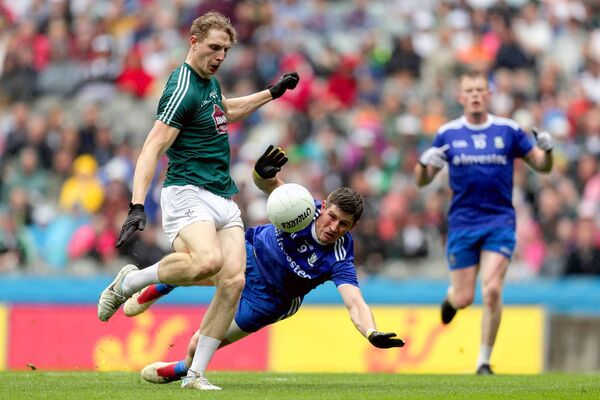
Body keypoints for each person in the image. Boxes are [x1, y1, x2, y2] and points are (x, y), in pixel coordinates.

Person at [96, 11, 299, 391]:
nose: (220, 55)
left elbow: (226, 111)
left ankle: (195, 374)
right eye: (214, 47)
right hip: (186, 191)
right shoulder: (182, 88)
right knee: (207, 261)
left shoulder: (209, 83)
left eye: (225, 49)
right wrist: (137, 205)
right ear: (193, 42)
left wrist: (272, 93)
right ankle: (129, 283)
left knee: (233, 281)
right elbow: (152, 146)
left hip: (222, 195)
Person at [123, 145, 405, 386]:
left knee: (198, 345)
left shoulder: (340, 255)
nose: (333, 227)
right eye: (332, 216)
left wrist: (370, 332)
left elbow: (354, 302)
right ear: (324, 205)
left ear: (353, 226)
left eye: (343, 224)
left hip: (270, 299)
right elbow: (268, 184)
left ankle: (182, 369)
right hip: (250, 252)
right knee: (201, 262)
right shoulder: (303, 205)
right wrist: (262, 171)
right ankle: (156, 289)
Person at [414, 71, 553, 375]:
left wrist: (548, 149)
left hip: (499, 221)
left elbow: (542, 166)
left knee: (491, 290)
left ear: (488, 95)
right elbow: (422, 180)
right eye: (469, 90)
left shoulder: (508, 130)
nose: (475, 95)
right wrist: (425, 165)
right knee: (465, 297)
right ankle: (452, 298)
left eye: (480, 89)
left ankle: (483, 361)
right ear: (461, 97)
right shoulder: (448, 133)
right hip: (463, 223)